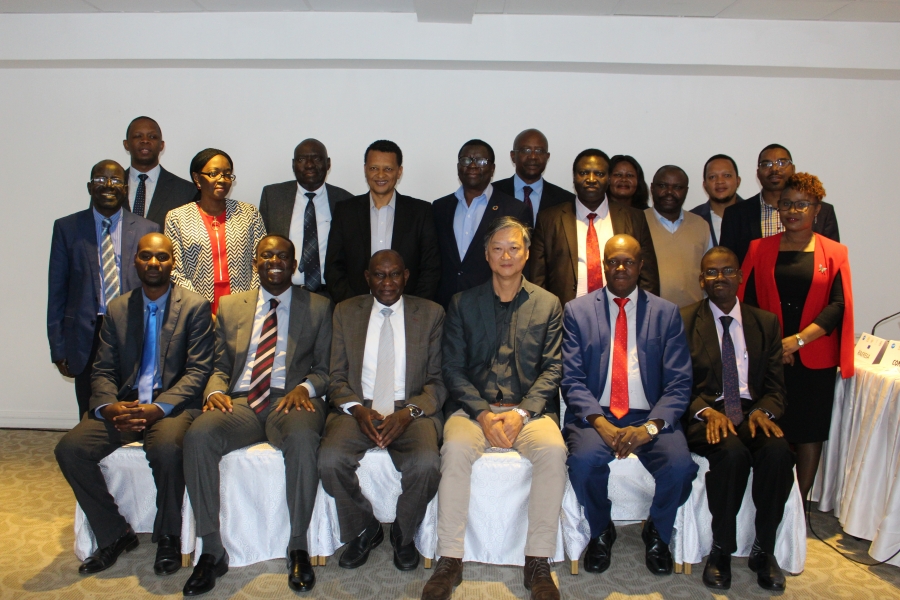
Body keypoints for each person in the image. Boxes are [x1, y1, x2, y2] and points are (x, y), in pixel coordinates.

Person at [422, 217, 567, 600]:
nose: (506, 255)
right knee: (453, 450)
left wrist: (521, 414)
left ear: (527, 254)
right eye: (498, 248)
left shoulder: (548, 304)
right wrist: (484, 414)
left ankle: (537, 561)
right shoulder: (462, 303)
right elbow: (451, 369)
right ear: (486, 256)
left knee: (553, 452)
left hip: (529, 412)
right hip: (474, 410)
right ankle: (449, 559)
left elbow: (553, 368)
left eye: (514, 248)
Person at [182, 235, 333, 596]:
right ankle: (211, 550)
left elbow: (327, 369)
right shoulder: (232, 306)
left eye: (284, 256)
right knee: (199, 435)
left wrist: (307, 387)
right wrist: (216, 391)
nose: (275, 261)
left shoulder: (319, 306)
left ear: (295, 265)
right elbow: (220, 365)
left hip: (292, 400)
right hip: (242, 400)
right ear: (255, 263)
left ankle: (298, 545)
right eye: (267, 255)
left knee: (301, 438)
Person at [55, 232, 213, 577]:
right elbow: (103, 369)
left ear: (173, 262)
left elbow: (199, 371)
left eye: (161, 257)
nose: (153, 263)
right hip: (124, 406)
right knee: (69, 449)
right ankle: (115, 533)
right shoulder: (118, 308)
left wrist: (160, 408)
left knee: (168, 450)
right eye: (145, 256)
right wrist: (109, 407)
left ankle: (169, 535)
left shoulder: (196, 306)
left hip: (173, 406)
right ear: (135, 261)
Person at [562, 235, 697, 577]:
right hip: (597, 413)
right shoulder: (577, 311)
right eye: (613, 261)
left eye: (628, 261)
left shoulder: (666, 314)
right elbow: (572, 379)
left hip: (649, 415)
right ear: (603, 265)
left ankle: (658, 532)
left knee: (680, 468)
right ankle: (601, 528)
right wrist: (601, 423)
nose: (620, 268)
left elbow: (679, 383)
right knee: (582, 463)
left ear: (641, 266)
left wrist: (650, 428)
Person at [319, 250, 446, 571]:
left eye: (394, 275)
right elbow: (335, 378)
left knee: (427, 463)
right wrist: (357, 410)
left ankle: (403, 534)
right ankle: (366, 527)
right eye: (379, 275)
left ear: (406, 276)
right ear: (367, 278)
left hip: (410, 407)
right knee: (330, 460)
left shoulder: (431, 314)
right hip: (359, 407)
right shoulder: (345, 312)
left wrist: (410, 413)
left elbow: (437, 382)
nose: (387, 282)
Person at [682, 247, 794, 591]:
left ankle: (764, 550)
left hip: (752, 411)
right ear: (702, 280)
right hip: (707, 413)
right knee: (731, 455)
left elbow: (776, 387)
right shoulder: (684, 320)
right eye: (711, 273)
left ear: (740, 276)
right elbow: (676, 383)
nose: (720, 278)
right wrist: (705, 410)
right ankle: (721, 551)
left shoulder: (766, 322)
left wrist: (764, 410)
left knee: (778, 453)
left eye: (727, 271)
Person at [738, 172, 854, 509]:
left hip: (814, 355)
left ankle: (798, 505)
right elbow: (748, 301)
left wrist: (799, 341)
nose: (792, 210)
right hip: (770, 355)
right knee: (767, 426)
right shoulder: (759, 248)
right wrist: (776, 346)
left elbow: (838, 305)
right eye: (786, 204)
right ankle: (762, 500)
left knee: (809, 430)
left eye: (801, 205)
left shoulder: (835, 252)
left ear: (817, 208)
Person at [48, 160, 160, 419]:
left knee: (133, 402)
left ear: (125, 189)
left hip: (134, 327)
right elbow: (57, 291)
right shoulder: (67, 228)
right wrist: (58, 347)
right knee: (90, 407)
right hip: (86, 333)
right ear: (90, 187)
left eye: (116, 181)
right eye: (100, 180)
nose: (108, 186)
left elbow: (155, 285)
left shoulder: (148, 229)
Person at [530, 149, 659, 306]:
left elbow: (648, 278)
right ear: (574, 177)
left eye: (599, 174)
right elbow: (537, 279)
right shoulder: (549, 219)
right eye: (584, 173)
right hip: (565, 318)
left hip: (621, 316)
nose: (591, 179)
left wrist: (642, 317)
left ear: (609, 178)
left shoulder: (634, 218)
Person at [325, 140, 441, 304]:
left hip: (407, 310)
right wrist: (354, 306)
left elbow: (430, 269)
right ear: (365, 169)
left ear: (399, 172)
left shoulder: (420, 212)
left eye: (388, 169)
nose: (380, 175)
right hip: (356, 309)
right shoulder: (345, 211)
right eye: (374, 168)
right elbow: (334, 267)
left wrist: (413, 307)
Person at [164, 148, 266, 314]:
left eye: (227, 174)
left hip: (243, 305)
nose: (222, 179)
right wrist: (199, 307)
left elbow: (261, 262)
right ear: (197, 178)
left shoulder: (249, 213)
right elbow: (175, 270)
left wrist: (248, 301)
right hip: (194, 308)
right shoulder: (177, 217)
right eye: (214, 174)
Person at [433, 139, 530, 307]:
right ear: (458, 167)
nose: (472, 165)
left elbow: (523, 266)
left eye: (481, 161)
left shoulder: (514, 210)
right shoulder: (440, 207)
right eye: (466, 160)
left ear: (492, 169)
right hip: (445, 306)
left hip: (493, 306)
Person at [258, 139, 353, 297]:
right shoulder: (273, 196)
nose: (309, 165)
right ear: (293, 164)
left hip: (331, 297)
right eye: (302, 159)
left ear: (328, 164)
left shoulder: (345, 201)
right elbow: (262, 249)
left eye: (316, 158)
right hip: (285, 294)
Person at [720, 144, 840, 263]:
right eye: (766, 164)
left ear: (793, 169)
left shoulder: (822, 211)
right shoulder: (735, 215)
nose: (774, 169)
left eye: (782, 163)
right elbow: (727, 265)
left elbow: (832, 260)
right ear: (758, 173)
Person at [645, 165, 712, 307]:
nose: (669, 192)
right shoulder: (637, 222)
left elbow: (709, 274)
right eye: (663, 185)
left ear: (686, 191)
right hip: (649, 316)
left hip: (694, 316)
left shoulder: (701, 225)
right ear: (652, 188)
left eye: (677, 187)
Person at [121, 116, 196, 229]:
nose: (145, 140)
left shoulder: (186, 191)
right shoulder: (108, 188)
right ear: (126, 144)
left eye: (152, 137)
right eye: (138, 136)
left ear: (161, 145)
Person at [492, 128, 575, 225]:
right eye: (526, 150)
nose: (533, 156)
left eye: (539, 151)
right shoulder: (492, 193)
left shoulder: (566, 201)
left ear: (547, 157)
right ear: (513, 156)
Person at [690, 154, 743, 246]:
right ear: (705, 185)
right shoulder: (691, 219)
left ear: (738, 181)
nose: (720, 181)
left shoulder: (755, 213)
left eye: (727, 175)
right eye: (712, 177)